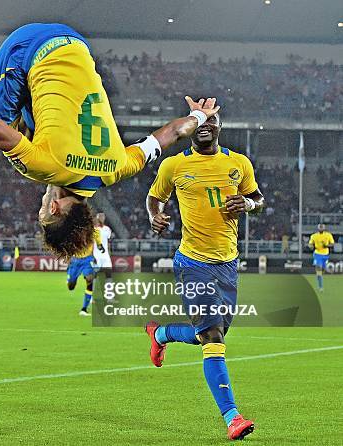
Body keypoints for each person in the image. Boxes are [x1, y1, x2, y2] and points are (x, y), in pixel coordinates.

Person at [0, 24, 220, 258]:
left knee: (23, 125)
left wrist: (199, 118)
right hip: (30, 48)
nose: (40, 206)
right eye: (43, 212)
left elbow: (170, 135)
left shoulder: (118, 167)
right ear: (57, 208)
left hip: (77, 47)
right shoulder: (44, 167)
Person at [144, 110, 265, 440]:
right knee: (213, 339)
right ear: (192, 127)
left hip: (227, 264)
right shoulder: (174, 165)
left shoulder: (238, 163)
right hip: (193, 263)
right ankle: (232, 416)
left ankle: (160, 335)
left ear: (219, 128)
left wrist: (248, 205)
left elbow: (257, 197)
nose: (204, 127)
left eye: (211, 122)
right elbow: (155, 197)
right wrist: (156, 216)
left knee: (208, 335)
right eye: (199, 122)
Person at [67, 229, 104, 316]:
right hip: (76, 260)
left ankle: (84, 309)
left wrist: (100, 246)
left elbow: (98, 242)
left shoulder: (95, 231)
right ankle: (69, 277)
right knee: (71, 286)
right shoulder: (75, 229)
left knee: (90, 280)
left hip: (88, 259)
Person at [308, 223, 334, 291]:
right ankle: (320, 287)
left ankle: (319, 275)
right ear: (318, 228)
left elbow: (332, 244)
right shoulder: (314, 236)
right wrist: (311, 246)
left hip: (325, 255)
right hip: (317, 254)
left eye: (322, 227)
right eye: (320, 227)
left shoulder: (328, 235)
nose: (321, 228)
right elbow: (310, 244)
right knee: (319, 270)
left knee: (322, 270)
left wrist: (327, 246)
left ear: (324, 228)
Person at [93, 212, 113, 279]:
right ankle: (93, 288)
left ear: (104, 218)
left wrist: (109, 252)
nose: (101, 218)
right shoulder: (93, 229)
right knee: (94, 274)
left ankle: (109, 289)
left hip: (105, 255)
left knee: (108, 273)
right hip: (96, 255)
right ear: (97, 218)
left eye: (102, 216)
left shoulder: (107, 229)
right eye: (100, 216)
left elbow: (109, 242)